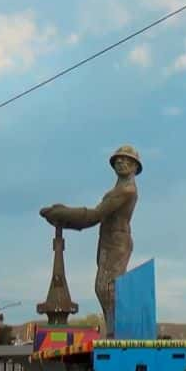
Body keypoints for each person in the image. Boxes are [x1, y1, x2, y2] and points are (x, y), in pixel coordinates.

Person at [40, 145, 141, 338]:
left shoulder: (127, 190)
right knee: (103, 287)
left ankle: (118, 333)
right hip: (109, 240)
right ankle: (115, 330)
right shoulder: (119, 189)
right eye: (117, 159)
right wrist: (65, 216)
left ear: (135, 167)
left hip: (117, 242)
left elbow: (95, 215)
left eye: (126, 159)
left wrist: (65, 214)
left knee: (107, 287)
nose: (120, 162)